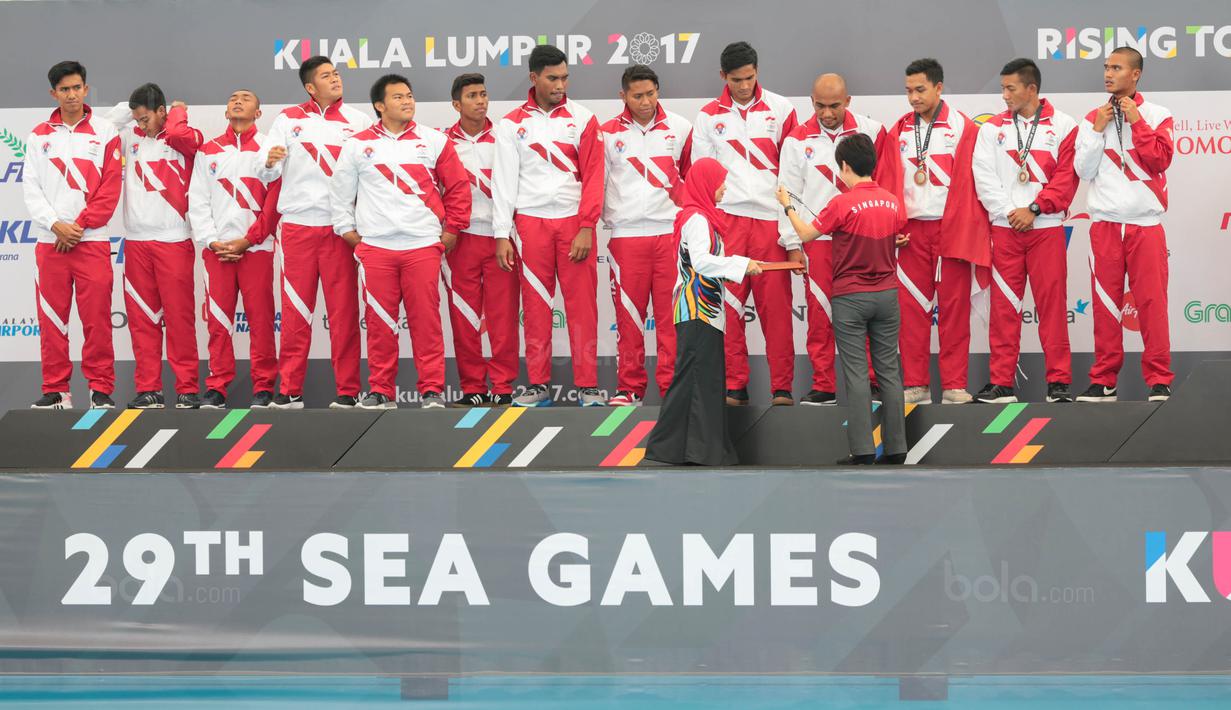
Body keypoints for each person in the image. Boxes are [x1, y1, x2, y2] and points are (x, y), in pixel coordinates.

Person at [330, 74, 470, 410]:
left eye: (409, 95)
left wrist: (451, 231)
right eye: (398, 97)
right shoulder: (357, 145)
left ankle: (432, 391)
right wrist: (351, 235)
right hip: (376, 248)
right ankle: (381, 391)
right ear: (380, 106)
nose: (407, 101)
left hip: (422, 246)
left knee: (427, 323)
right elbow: (340, 195)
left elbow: (458, 188)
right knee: (380, 324)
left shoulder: (434, 140)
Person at [778, 134, 909, 465]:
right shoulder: (892, 201)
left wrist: (788, 206)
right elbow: (893, 236)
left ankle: (863, 450)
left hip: (851, 297)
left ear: (845, 167)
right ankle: (897, 448)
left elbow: (806, 234)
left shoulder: (841, 203)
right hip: (887, 295)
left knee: (856, 374)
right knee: (889, 372)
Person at [688, 41, 800, 407]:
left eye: (750, 78)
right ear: (723, 76)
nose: (744, 86)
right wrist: (710, 227)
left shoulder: (781, 109)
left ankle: (782, 388)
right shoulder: (707, 116)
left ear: (757, 72)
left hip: (770, 221)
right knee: (729, 307)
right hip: (729, 221)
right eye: (736, 80)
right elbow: (703, 177)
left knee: (776, 309)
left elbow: (792, 173)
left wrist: (791, 233)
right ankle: (735, 385)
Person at [874, 58, 989, 405]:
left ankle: (954, 384)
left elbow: (976, 184)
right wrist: (892, 225)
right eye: (908, 90)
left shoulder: (963, 128)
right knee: (911, 311)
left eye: (920, 90)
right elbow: (886, 182)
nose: (913, 97)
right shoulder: (898, 130)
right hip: (910, 234)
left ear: (938, 88)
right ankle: (916, 384)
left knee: (954, 309)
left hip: (950, 229)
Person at [260, 56, 369, 409]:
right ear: (310, 87)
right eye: (326, 76)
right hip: (298, 228)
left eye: (336, 73)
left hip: (341, 230)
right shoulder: (287, 119)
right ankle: (290, 390)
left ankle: (348, 392)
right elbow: (266, 171)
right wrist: (270, 161)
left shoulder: (359, 121)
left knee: (344, 315)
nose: (335, 79)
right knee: (295, 314)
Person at [972, 58, 1080, 404]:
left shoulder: (1064, 125)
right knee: (1004, 308)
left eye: (1010, 88)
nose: (1004, 95)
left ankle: (1059, 382)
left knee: (1052, 307)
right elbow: (983, 176)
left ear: (1031, 89)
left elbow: (1066, 178)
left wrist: (1034, 209)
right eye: (1002, 88)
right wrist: (1010, 212)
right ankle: (1001, 382)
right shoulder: (991, 128)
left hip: (1046, 228)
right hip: (1005, 229)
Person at [644, 158, 765, 466]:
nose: (725, 187)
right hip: (696, 309)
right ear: (707, 183)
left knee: (699, 381)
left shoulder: (702, 218)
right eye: (721, 181)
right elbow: (700, 262)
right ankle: (686, 449)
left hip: (702, 310)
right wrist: (740, 265)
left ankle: (684, 449)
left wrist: (737, 268)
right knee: (698, 380)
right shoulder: (697, 219)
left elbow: (704, 264)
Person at [1073, 46, 1174, 402]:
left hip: (1145, 226)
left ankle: (1159, 379)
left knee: (1152, 305)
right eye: (1106, 67)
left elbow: (1159, 160)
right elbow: (1083, 170)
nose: (1108, 74)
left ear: (1135, 74)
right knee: (1105, 307)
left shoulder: (1158, 114)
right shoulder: (1093, 117)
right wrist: (1096, 131)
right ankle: (1104, 380)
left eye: (1116, 68)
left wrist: (1137, 121)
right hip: (1104, 226)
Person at [778, 73, 885, 406]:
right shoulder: (796, 140)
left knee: (865, 312)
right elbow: (787, 192)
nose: (826, 113)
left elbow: (886, 182)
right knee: (820, 314)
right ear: (811, 102)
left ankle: (872, 383)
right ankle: (823, 385)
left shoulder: (871, 131)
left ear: (848, 101)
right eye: (820, 106)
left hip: (863, 239)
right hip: (819, 240)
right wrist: (792, 243)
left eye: (834, 106)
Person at [24, 60, 122, 410]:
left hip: (91, 241)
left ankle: (101, 390)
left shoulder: (106, 131)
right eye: (64, 89)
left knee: (97, 320)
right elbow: (31, 188)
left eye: (76, 87)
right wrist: (55, 225)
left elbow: (110, 187)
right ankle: (57, 391)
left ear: (86, 89)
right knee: (52, 319)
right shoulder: (39, 135)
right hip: (50, 242)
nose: (71, 94)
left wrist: (78, 227)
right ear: (54, 94)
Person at [600, 64, 692, 407]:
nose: (645, 102)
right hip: (626, 237)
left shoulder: (681, 128)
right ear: (623, 96)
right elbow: (597, 185)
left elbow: (693, 180)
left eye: (651, 94)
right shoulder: (607, 133)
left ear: (658, 91)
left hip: (669, 234)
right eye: (637, 96)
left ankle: (672, 390)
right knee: (628, 318)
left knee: (671, 320)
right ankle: (629, 388)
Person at [106, 83, 203, 409]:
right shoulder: (130, 136)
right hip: (136, 243)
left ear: (163, 112)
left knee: (179, 320)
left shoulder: (184, 138)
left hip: (173, 241)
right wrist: (133, 109)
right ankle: (149, 389)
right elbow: (104, 126)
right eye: (137, 119)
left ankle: (187, 389)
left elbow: (176, 132)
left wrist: (178, 112)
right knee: (142, 320)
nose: (142, 125)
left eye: (146, 118)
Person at [186, 89, 279, 409]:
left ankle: (264, 386)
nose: (238, 101)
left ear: (259, 112)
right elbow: (198, 199)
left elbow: (273, 202)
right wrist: (212, 241)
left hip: (257, 249)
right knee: (218, 321)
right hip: (218, 251)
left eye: (246, 98)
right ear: (226, 112)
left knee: (261, 320)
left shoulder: (269, 149)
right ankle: (217, 386)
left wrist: (250, 239)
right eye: (232, 98)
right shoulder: (208, 151)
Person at [443, 73, 520, 408]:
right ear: (456, 104)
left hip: (501, 238)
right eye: (472, 96)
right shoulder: (442, 142)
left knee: (503, 317)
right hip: (460, 240)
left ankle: (503, 387)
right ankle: (473, 386)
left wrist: (506, 231)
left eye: (484, 94)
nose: (480, 101)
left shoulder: (505, 136)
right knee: (464, 317)